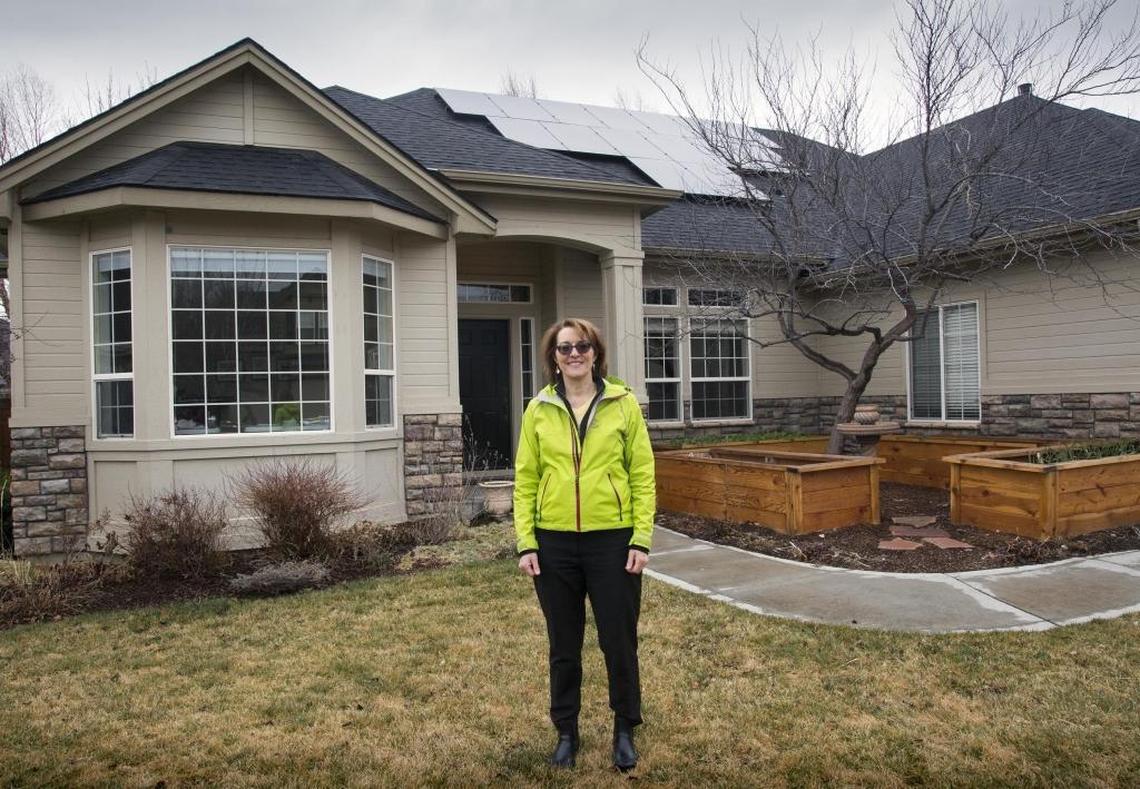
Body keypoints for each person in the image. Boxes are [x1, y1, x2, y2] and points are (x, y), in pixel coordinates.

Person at [513, 317, 656, 771]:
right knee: (563, 644)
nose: (574, 354)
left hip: (612, 542)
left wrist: (641, 537)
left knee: (618, 639)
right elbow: (525, 479)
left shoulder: (623, 404)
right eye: (564, 348)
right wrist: (526, 542)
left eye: (582, 346)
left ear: (596, 353)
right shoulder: (538, 409)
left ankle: (624, 728)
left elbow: (643, 475)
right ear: (553, 358)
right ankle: (566, 731)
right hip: (554, 545)